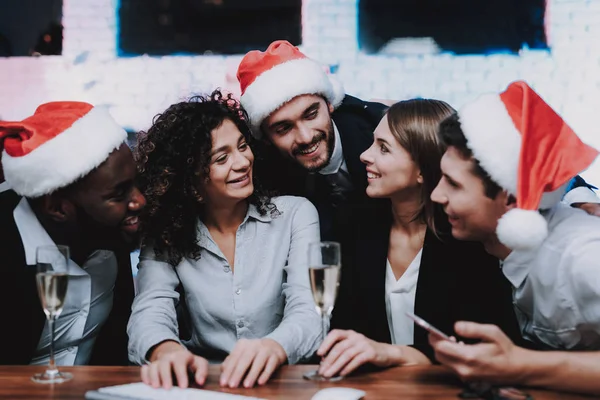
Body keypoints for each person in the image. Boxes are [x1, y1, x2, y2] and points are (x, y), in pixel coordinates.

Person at [314, 99, 523, 378]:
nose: (364, 155)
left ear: (424, 170)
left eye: (383, 148)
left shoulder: (468, 241)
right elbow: (348, 330)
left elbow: (482, 347)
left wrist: (394, 354)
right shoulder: (355, 226)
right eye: (373, 142)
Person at [128, 90, 321, 389]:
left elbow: (310, 312)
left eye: (243, 146)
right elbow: (150, 310)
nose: (242, 162)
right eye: (222, 158)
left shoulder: (296, 215)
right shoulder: (166, 233)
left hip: (283, 384)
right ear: (190, 180)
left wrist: (274, 348)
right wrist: (165, 350)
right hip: (203, 385)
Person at [429, 81, 600, 394]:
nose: (436, 194)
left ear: (510, 198)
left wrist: (520, 365)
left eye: (453, 184)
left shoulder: (584, 257)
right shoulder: (494, 249)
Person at [0, 101, 146, 366]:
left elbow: (116, 349)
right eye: (119, 193)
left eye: (136, 184)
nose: (139, 201)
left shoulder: (109, 232)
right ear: (56, 207)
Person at [237, 40, 387, 240]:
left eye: (311, 115)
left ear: (330, 104)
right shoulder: (260, 173)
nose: (306, 137)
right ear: (265, 138)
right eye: (284, 128)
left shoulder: (382, 131)